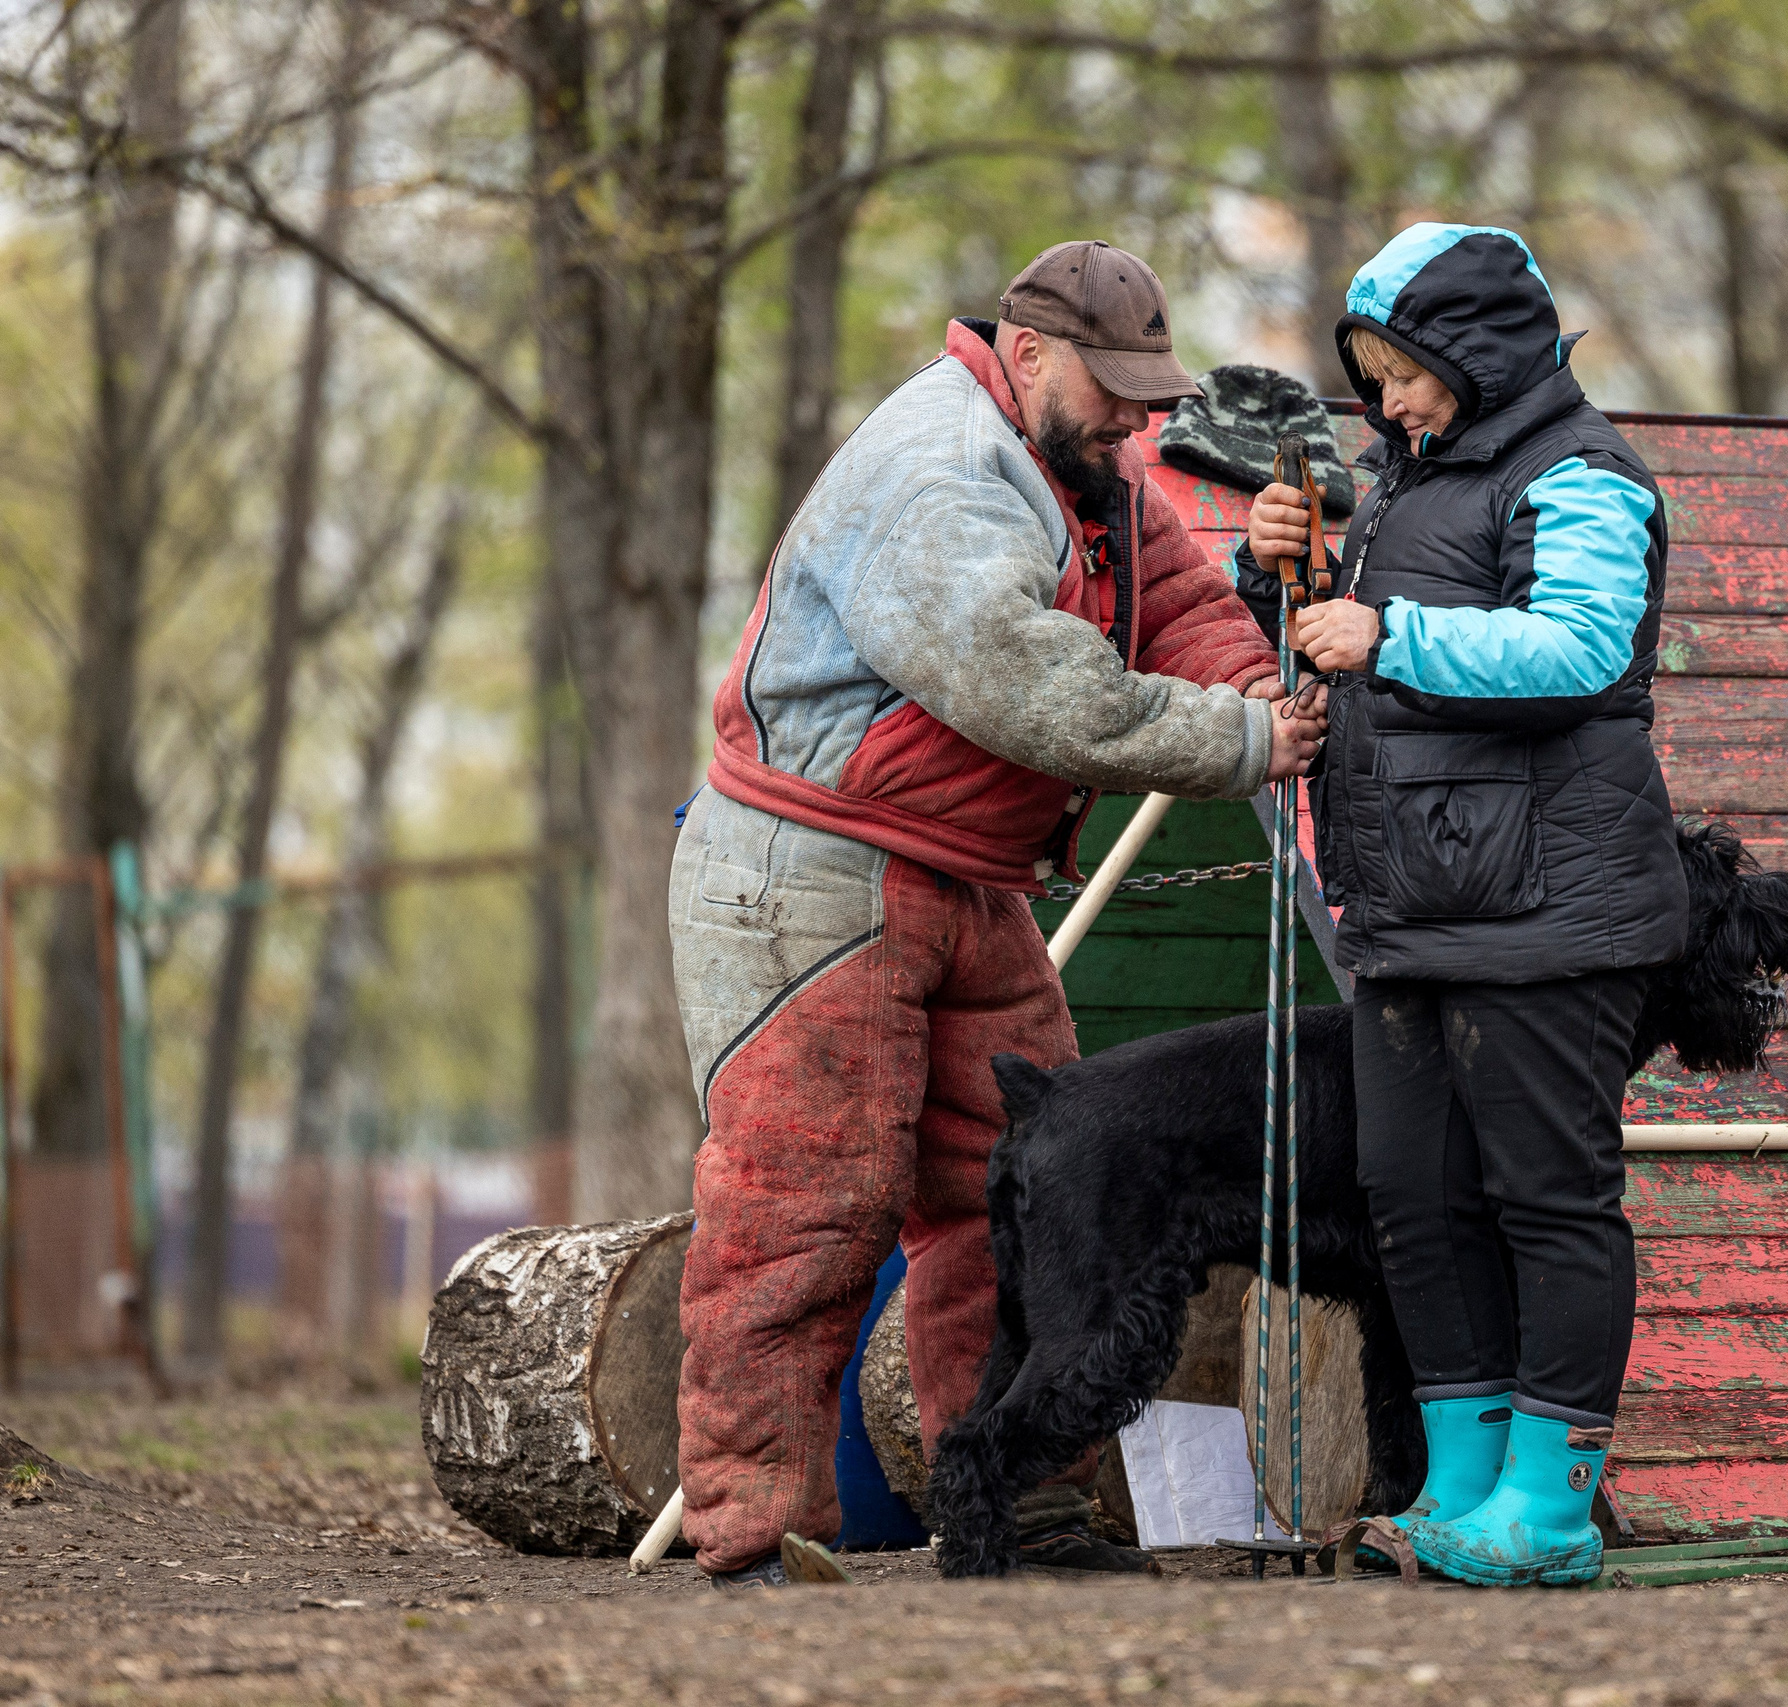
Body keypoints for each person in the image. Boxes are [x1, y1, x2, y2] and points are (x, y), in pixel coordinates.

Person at [674, 241, 1323, 1587]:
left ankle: (1019, 1504)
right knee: (808, 1203)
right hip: (815, 868)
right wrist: (1238, 746)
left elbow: (1182, 602)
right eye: (1115, 389)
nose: (1139, 421)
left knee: (1037, 1187)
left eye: (1154, 395)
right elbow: (1035, 688)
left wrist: (1256, 688)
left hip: (965, 873)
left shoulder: (1091, 466)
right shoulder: (941, 471)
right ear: (1027, 355)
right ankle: (755, 1529)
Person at [1246, 223, 1683, 1587]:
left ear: (1481, 353)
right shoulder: (1395, 482)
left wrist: (1391, 633)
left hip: (1551, 909)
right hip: (1407, 906)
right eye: (1372, 377)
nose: (1390, 404)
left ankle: (1547, 1516)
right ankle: (1464, 1486)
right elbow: (1334, 634)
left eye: (1410, 374)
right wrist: (1279, 572)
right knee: (1412, 1200)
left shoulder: (1586, 477)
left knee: (1547, 1199)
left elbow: (1580, 646)